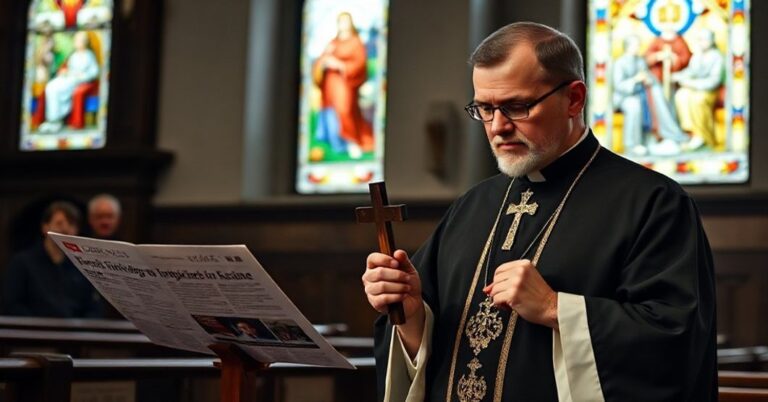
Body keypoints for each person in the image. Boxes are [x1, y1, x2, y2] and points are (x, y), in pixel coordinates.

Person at [362, 22, 716, 402]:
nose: (498, 127)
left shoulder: (653, 203)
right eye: (484, 108)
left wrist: (553, 308)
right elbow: (430, 355)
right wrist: (413, 318)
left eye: (517, 106)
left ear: (574, 99)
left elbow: (675, 342)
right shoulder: (473, 205)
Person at [3, 201, 102, 318]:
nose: (65, 229)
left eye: (71, 224)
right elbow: (11, 304)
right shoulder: (22, 262)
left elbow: (94, 307)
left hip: (75, 333)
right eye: (59, 223)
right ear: (45, 227)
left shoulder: (82, 264)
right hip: (35, 332)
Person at [612, 35, 691, 156]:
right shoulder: (620, 63)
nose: (638, 48)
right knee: (634, 106)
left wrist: (648, 79)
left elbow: (648, 75)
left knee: (656, 94)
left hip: (641, 92)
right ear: (628, 47)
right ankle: (632, 144)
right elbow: (619, 85)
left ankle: (664, 133)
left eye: (638, 45)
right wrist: (635, 80)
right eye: (635, 45)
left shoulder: (639, 60)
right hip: (624, 96)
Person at [312, 11, 374, 158]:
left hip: (345, 84)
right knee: (331, 114)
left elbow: (359, 64)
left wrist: (340, 65)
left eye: (346, 21)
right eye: (340, 21)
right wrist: (324, 61)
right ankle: (337, 145)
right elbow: (320, 62)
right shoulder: (333, 43)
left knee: (344, 110)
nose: (343, 24)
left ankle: (351, 141)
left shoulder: (355, 42)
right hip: (330, 85)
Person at [672, 29, 724, 150]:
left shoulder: (717, 57)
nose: (702, 43)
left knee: (698, 100)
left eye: (704, 40)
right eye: (700, 40)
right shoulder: (698, 55)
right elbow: (691, 71)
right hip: (695, 88)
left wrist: (692, 84)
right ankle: (691, 132)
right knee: (681, 95)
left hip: (709, 91)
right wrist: (678, 76)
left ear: (711, 41)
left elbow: (714, 81)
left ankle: (703, 136)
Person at [39, 30, 99, 133]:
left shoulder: (89, 55)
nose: (76, 42)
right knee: (51, 86)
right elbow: (67, 68)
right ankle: (50, 120)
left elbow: (94, 72)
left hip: (78, 81)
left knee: (56, 90)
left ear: (84, 42)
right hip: (68, 78)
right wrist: (65, 72)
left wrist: (81, 76)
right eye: (76, 40)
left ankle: (56, 120)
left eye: (79, 40)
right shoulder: (74, 55)